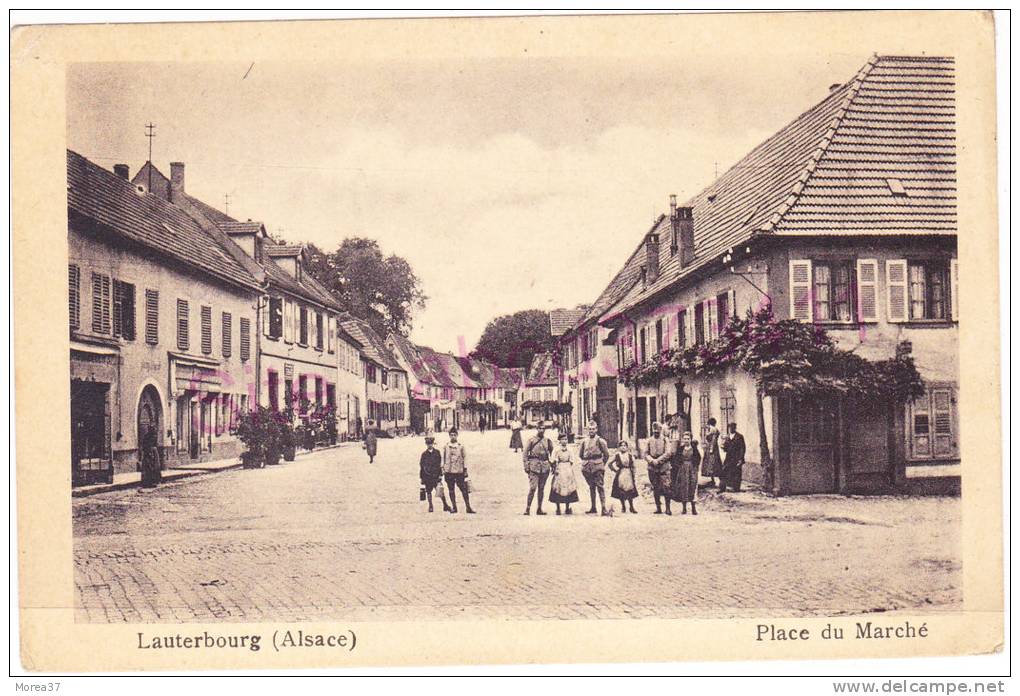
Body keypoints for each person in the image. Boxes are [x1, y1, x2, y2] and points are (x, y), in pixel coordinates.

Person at [578, 421, 610, 516]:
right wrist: (586, 463)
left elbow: (606, 455)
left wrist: (601, 464)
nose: (591, 431)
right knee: (591, 487)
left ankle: (603, 508)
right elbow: (580, 454)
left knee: (600, 487)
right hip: (587, 467)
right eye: (590, 429)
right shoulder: (584, 441)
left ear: (596, 429)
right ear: (588, 430)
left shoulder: (601, 441)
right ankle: (593, 507)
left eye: (593, 429)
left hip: (598, 466)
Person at [522, 420, 554, 515]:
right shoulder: (531, 440)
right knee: (532, 488)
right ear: (537, 429)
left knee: (541, 488)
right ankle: (527, 508)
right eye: (540, 428)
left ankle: (539, 508)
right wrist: (526, 465)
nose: (541, 430)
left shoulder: (547, 441)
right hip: (534, 466)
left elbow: (552, 454)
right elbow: (525, 454)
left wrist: (552, 465)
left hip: (544, 467)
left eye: (543, 429)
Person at [644, 422, 674, 514]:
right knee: (655, 488)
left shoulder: (665, 440)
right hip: (652, 468)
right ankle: (658, 508)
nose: (656, 433)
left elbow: (668, 453)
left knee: (666, 488)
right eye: (654, 432)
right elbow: (645, 453)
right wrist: (652, 460)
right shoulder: (649, 440)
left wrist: (659, 460)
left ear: (661, 431)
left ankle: (668, 508)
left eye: (658, 432)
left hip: (664, 467)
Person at [442, 428, 475, 514]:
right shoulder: (446, 446)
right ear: (449, 436)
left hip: (459, 471)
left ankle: (468, 507)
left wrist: (465, 468)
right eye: (451, 435)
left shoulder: (461, 446)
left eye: (454, 435)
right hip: (449, 471)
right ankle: (454, 507)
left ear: (457, 435)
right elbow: (443, 458)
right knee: (451, 489)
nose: (453, 437)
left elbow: (465, 457)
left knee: (463, 489)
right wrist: (443, 468)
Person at [548, 433, 579, 515]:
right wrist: (555, 468)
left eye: (566, 439)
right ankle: (558, 508)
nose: (564, 441)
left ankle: (567, 507)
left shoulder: (570, 449)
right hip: (559, 468)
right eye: (563, 439)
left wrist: (568, 468)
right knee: (558, 487)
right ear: (559, 440)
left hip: (567, 468)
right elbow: (552, 460)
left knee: (568, 488)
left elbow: (572, 460)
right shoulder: (556, 449)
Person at [671, 431, 701, 515]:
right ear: (682, 440)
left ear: (691, 439)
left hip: (692, 470)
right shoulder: (680, 449)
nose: (686, 440)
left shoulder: (694, 449)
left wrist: (695, 466)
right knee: (684, 487)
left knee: (693, 487)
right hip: (683, 470)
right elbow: (676, 459)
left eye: (688, 439)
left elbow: (698, 458)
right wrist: (679, 466)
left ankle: (693, 508)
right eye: (685, 439)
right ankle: (684, 508)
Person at [419, 436, 450, 512]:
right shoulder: (424, 454)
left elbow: (439, 464)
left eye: (431, 443)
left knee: (440, 490)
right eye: (428, 444)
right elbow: (422, 466)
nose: (430, 445)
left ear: (433, 444)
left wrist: (440, 475)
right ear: (426, 444)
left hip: (436, 475)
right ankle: (430, 506)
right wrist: (422, 478)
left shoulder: (437, 452)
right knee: (428, 491)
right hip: (427, 476)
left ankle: (445, 505)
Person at [609, 440, 639, 514]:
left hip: (628, 473)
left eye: (624, 446)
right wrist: (615, 470)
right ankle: (623, 506)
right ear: (619, 447)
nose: (623, 447)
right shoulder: (617, 455)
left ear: (627, 447)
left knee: (630, 490)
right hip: (621, 473)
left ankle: (631, 507)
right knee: (621, 490)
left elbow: (634, 466)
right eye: (621, 446)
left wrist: (634, 474)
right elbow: (609, 464)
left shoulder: (630, 455)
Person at [719, 422, 746, 493]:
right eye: (730, 427)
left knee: (736, 472)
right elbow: (726, 447)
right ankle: (722, 487)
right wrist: (723, 447)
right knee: (724, 471)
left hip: (736, 457)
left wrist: (741, 459)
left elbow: (742, 448)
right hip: (729, 457)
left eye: (732, 427)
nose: (731, 429)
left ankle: (736, 488)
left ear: (735, 428)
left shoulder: (739, 436)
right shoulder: (728, 437)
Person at [701, 417, 722, 488]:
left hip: (712, 448)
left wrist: (711, 449)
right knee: (711, 464)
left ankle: (718, 481)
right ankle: (712, 480)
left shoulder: (713, 429)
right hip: (710, 447)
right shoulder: (712, 429)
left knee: (713, 464)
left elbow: (713, 440)